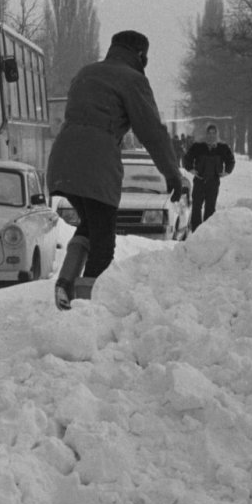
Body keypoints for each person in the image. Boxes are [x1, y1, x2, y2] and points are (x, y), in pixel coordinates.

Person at [46, 30, 186, 310]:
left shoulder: (86, 72)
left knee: (89, 224)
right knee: (103, 241)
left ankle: (65, 281)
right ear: (140, 55)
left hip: (62, 159)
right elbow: (152, 131)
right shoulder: (133, 79)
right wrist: (172, 173)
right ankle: (87, 304)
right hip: (95, 162)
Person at [181, 123, 235, 233]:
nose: (211, 135)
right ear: (206, 134)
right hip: (199, 181)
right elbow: (187, 159)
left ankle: (207, 232)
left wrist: (227, 172)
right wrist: (191, 169)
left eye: (213, 133)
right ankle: (196, 231)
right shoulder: (198, 147)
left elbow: (231, 161)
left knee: (210, 208)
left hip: (213, 182)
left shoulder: (222, 148)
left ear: (217, 134)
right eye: (209, 133)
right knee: (196, 207)